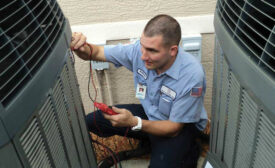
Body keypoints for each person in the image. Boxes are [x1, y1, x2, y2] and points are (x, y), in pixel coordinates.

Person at [71, 14, 208, 168]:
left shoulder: (191, 75)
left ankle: (189, 150)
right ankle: (150, 141)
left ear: (173, 50)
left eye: (152, 50)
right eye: (142, 45)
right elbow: (95, 52)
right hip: (150, 116)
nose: (143, 56)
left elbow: (174, 128)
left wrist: (134, 122)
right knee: (92, 121)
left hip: (178, 127)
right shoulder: (139, 51)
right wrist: (80, 46)